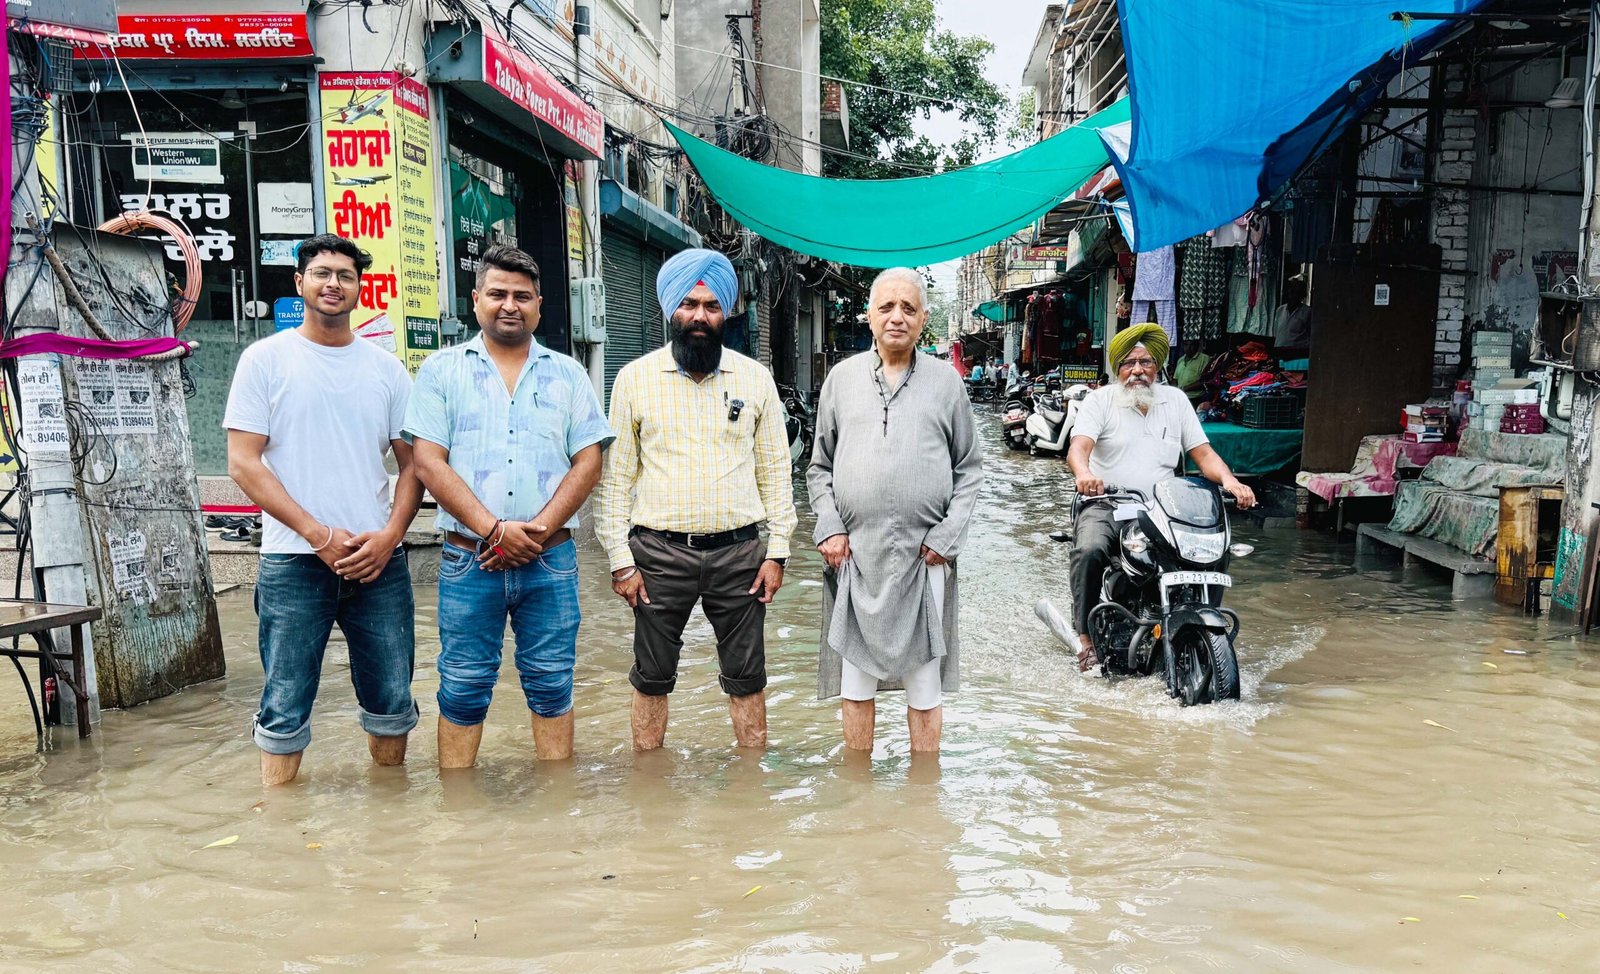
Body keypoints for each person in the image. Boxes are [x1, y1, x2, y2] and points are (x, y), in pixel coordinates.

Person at [404, 246, 614, 769]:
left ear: (539, 306)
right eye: (497, 294)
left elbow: (588, 463)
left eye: (522, 296)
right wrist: (494, 531)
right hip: (467, 558)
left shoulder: (568, 375)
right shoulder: (440, 371)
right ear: (476, 301)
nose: (509, 305)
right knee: (463, 683)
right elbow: (428, 463)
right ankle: (459, 811)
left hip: (551, 560)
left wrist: (535, 533)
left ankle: (556, 808)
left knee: (551, 680)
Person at [224, 234, 422, 786]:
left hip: (379, 564)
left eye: (345, 274)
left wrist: (388, 538)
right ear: (299, 284)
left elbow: (414, 466)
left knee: (391, 700)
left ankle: (390, 821)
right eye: (321, 273)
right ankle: (281, 833)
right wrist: (318, 534)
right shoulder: (265, 360)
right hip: (293, 562)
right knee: (284, 705)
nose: (333, 283)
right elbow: (243, 463)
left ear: (361, 287)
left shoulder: (387, 371)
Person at [594, 248, 797, 751]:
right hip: (658, 555)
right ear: (670, 310)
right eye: (688, 304)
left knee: (748, 677)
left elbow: (776, 470)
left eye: (710, 306)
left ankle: (752, 792)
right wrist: (622, 562)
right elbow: (615, 481)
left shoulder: (755, 379)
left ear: (726, 312)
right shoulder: (634, 379)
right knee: (651, 676)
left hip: (740, 556)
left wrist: (778, 552)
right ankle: (649, 789)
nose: (699, 316)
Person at [809, 268, 983, 753]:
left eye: (908, 308)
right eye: (886, 307)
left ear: (924, 319)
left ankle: (922, 801)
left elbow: (969, 469)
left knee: (925, 690)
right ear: (869, 316)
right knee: (856, 685)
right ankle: (858, 795)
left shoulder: (947, 383)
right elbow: (818, 467)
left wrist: (946, 539)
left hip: (923, 558)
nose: (897, 317)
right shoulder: (841, 380)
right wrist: (829, 528)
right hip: (855, 558)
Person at [1066, 323, 1257, 672]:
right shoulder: (1099, 401)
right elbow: (1078, 449)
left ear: (1158, 367)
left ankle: (1203, 617)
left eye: (1146, 362)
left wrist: (1230, 481)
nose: (1138, 370)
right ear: (1117, 368)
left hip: (1164, 507)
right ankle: (1086, 638)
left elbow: (1203, 454)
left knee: (1213, 549)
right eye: (1129, 363)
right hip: (1109, 502)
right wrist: (1085, 475)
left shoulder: (1176, 400)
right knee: (1090, 549)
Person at [1272, 277, 1312, 351]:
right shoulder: (1280, 310)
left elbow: (1310, 336)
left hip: (1297, 354)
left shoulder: (1307, 312)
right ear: (1288, 292)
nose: (1294, 295)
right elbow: (1276, 333)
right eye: (1292, 291)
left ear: (1302, 295)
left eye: (1298, 292)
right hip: (1279, 352)